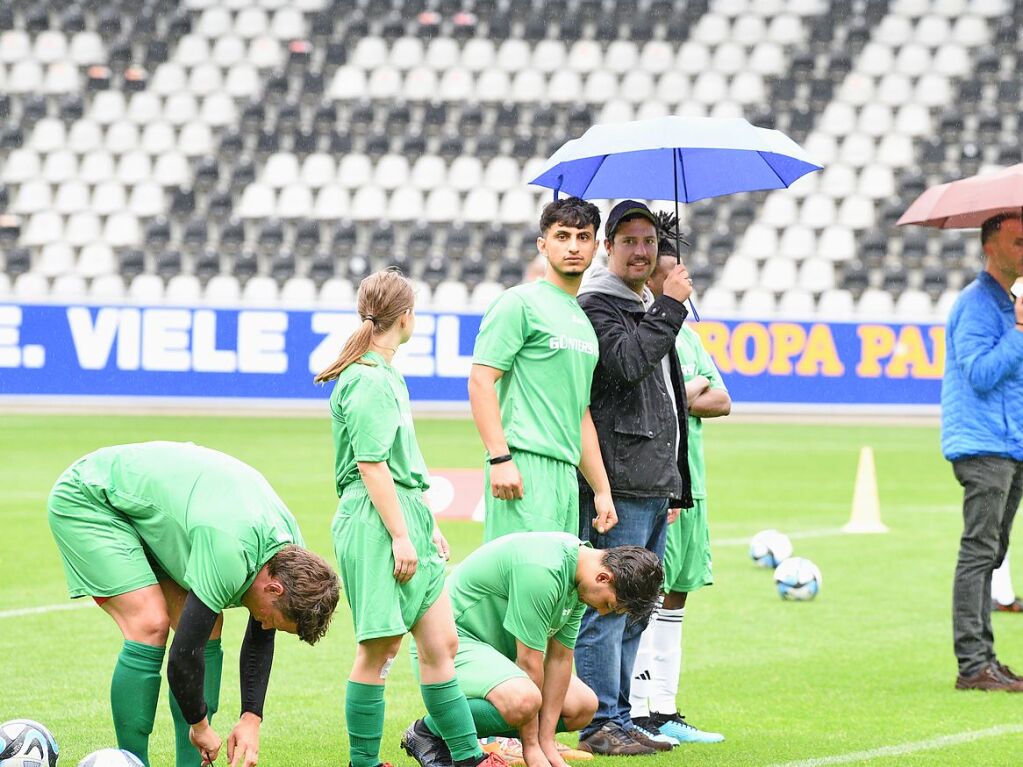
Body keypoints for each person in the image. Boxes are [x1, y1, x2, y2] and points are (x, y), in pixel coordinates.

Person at [47, 441, 340, 767]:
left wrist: (251, 717)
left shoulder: (289, 555)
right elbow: (182, 657)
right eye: (272, 619)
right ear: (274, 587)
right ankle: (132, 762)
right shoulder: (231, 551)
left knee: (208, 624)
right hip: (92, 497)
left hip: (152, 516)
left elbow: (259, 637)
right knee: (150, 623)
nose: (264, 624)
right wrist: (200, 726)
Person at [315, 269, 506, 767]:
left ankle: (467, 757)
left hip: (406, 516)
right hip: (376, 524)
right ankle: (364, 762)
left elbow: (399, 466)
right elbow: (371, 465)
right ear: (405, 317)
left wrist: (425, 523)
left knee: (442, 642)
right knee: (379, 651)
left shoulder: (386, 374)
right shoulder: (366, 380)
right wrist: (401, 535)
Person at [572, 200, 694, 756]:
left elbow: (667, 400)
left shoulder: (642, 304)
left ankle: (621, 716)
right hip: (619, 480)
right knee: (609, 605)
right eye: (630, 241)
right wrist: (670, 306)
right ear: (608, 248)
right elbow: (624, 365)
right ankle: (600, 721)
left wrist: (676, 484)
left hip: (649, 477)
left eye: (649, 241)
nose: (642, 251)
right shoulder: (599, 305)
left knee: (637, 608)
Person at [400, 533, 664, 767]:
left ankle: (471, 730)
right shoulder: (544, 570)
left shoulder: (581, 576)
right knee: (525, 699)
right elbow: (529, 664)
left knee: (583, 706)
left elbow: (560, 658)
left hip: (496, 656)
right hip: (451, 646)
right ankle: (427, 731)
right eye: (609, 604)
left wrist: (546, 742)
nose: (604, 612)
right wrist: (532, 748)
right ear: (604, 577)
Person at [628, 233, 729, 745]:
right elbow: (644, 393)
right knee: (644, 590)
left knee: (678, 593)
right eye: (671, 276)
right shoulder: (644, 328)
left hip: (693, 484)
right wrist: (684, 393)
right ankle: (639, 708)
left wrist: (678, 395)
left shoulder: (687, 335)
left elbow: (724, 399)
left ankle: (665, 706)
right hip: (652, 480)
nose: (681, 284)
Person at [469, 198, 617, 543]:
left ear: (595, 247)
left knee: (554, 591)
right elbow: (481, 381)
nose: (573, 246)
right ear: (543, 245)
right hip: (524, 466)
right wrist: (500, 458)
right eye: (562, 236)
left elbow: (579, 412)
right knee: (523, 586)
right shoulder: (518, 303)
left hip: (565, 476)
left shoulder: (583, 322)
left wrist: (601, 490)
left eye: (583, 237)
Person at [943, 212, 1023, 692]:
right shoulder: (977, 305)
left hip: (1007, 444)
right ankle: (973, 663)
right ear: (991, 245)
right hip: (983, 444)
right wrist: (1018, 333)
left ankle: (984, 658)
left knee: (991, 551)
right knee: (979, 551)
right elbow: (979, 373)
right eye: (1018, 240)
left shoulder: (1004, 303)